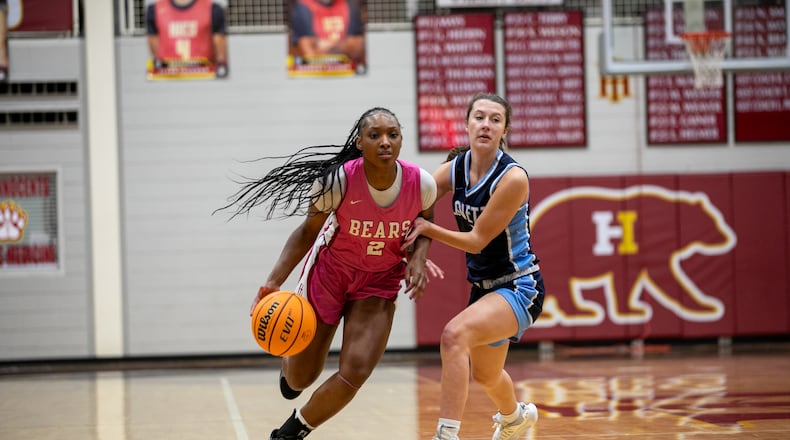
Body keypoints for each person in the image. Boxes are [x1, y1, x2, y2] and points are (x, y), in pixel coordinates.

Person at [219, 107, 439, 440]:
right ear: (359, 142)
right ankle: (288, 368)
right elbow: (306, 232)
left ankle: (291, 432)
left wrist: (419, 257)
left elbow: (426, 225)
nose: (385, 142)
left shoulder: (421, 183)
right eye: (374, 135)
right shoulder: (337, 181)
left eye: (393, 134)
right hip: (330, 275)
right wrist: (272, 281)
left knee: (356, 372)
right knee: (300, 380)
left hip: (379, 281)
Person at [402, 93, 545, 440]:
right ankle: (514, 418)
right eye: (479, 117)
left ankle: (446, 435)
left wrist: (429, 230)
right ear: (466, 125)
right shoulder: (456, 169)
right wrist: (415, 253)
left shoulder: (512, 178)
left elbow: (478, 239)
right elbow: (414, 197)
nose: (486, 124)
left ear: (504, 130)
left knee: (454, 336)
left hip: (519, 286)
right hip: (484, 288)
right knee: (486, 376)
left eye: (495, 119)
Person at [146, 0, 229, 78]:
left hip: (203, 77)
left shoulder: (213, 9)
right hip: (169, 78)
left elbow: (220, 57)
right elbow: (155, 53)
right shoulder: (155, 10)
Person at [289, 0, 366, 70]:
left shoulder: (349, 4)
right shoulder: (303, 6)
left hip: (347, 71)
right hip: (315, 74)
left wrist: (323, 45)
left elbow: (357, 47)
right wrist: (344, 44)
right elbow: (309, 54)